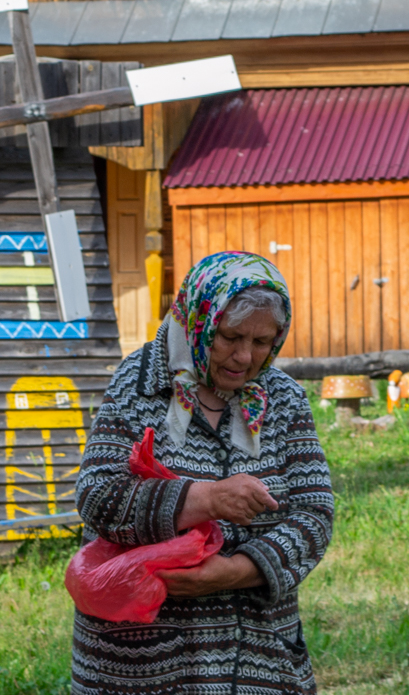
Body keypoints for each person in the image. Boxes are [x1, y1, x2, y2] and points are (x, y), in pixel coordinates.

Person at [72, 251, 335, 695]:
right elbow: (99, 497)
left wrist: (238, 570)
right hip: (146, 662)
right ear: (199, 321)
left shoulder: (284, 398)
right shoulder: (140, 385)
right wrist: (206, 500)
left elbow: (314, 514)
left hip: (259, 655)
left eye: (263, 341)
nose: (245, 356)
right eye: (229, 337)